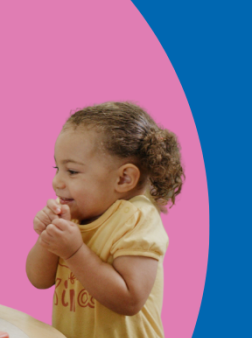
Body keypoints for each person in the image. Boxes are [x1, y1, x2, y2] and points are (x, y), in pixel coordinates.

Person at [26, 101, 184, 338]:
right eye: (56, 168)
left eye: (72, 171)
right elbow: (38, 279)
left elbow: (130, 300)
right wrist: (48, 239)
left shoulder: (137, 218)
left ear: (124, 179)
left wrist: (74, 252)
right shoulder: (77, 217)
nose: (56, 181)